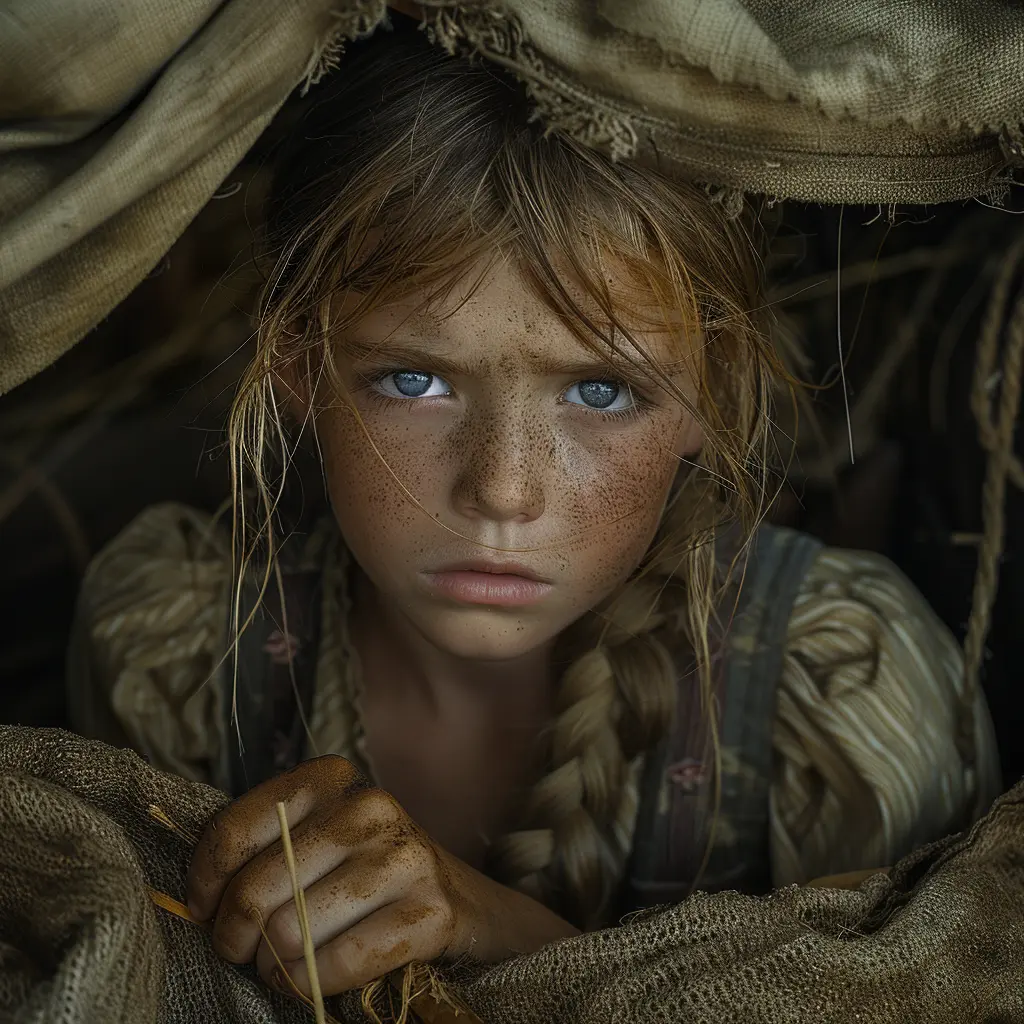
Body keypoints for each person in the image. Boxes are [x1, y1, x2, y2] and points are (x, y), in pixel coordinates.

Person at [68, 20, 1001, 1000]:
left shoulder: (840, 686)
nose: (503, 490)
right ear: (299, 364)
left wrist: (492, 930)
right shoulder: (184, 651)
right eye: (415, 379)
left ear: (709, 392)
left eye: (600, 392)